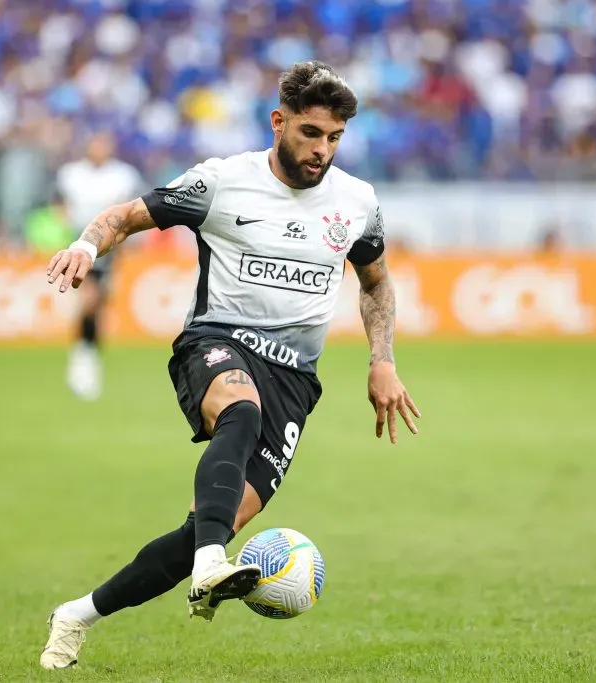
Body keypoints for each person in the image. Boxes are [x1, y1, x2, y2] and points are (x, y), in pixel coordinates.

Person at [39, 61, 421, 670]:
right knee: (239, 408)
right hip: (217, 341)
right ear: (278, 122)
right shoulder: (221, 183)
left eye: (334, 138)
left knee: (200, 531)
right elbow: (126, 215)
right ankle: (213, 563)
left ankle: (76, 614)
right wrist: (86, 246)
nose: (322, 150)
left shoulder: (357, 203)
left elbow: (375, 283)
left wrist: (383, 360)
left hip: (295, 379)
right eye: (310, 133)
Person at [55, 132, 146, 401]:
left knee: (101, 302)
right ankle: (82, 358)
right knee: (90, 298)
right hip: (80, 243)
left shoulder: (123, 174)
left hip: (110, 248)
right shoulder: (71, 174)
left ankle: (88, 355)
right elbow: (57, 204)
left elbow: (134, 209)